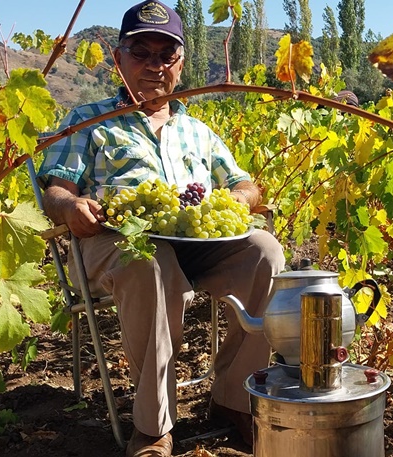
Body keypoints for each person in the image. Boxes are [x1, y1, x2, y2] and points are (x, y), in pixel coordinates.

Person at [36, 1, 285, 456]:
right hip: (118, 244)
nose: (154, 65)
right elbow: (55, 190)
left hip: (196, 246)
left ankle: (234, 400)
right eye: (140, 52)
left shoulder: (199, 132)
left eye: (165, 54)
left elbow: (247, 185)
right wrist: (71, 206)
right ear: (119, 59)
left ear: (181, 63)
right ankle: (153, 428)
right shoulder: (90, 122)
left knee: (264, 252)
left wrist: (239, 199)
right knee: (149, 263)